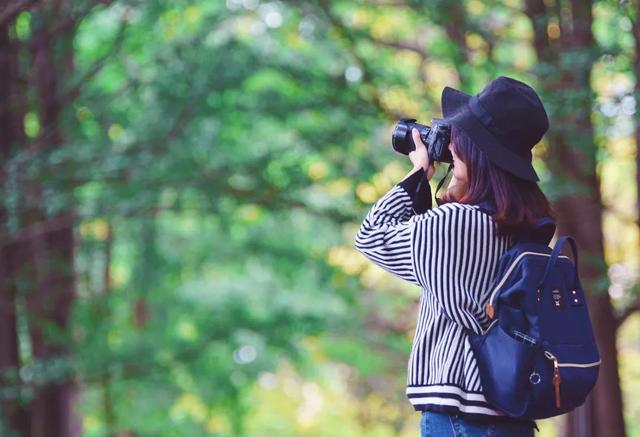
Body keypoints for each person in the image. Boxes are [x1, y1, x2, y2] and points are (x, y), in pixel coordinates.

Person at [354, 76, 557, 437]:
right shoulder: (529, 228)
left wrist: (419, 172)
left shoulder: (454, 224)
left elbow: (372, 236)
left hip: (461, 413)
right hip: (512, 411)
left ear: (476, 153)